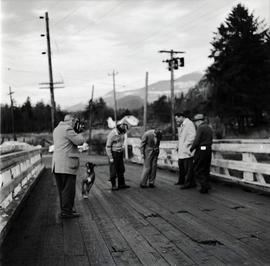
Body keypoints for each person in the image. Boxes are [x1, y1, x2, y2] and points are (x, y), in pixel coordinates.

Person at [52, 114, 87, 218]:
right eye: (75, 122)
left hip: (57, 165)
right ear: (71, 121)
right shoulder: (67, 129)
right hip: (66, 165)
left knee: (62, 189)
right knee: (68, 189)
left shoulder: (57, 129)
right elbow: (79, 141)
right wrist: (79, 132)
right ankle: (67, 212)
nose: (75, 124)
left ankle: (65, 210)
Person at [190, 114, 213, 194]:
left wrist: (191, 148)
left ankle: (204, 187)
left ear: (199, 121)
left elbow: (197, 140)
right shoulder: (209, 127)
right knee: (206, 168)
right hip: (208, 149)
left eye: (195, 122)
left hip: (201, 149)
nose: (195, 123)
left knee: (198, 168)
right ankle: (207, 184)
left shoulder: (200, 128)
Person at [106, 121, 130, 191]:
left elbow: (123, 139)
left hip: (120, 152)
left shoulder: (123, 132)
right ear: (118, 129)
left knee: (121, 169)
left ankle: (121, 184)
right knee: (113, 170)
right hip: (113, 153)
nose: (123, 132)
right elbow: (107, 147)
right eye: (122, 130)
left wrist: (122, 147)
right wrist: (110, 157)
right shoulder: (112, 134)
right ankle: (113, 185)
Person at [175, 112, 196, 189]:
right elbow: (180, 138)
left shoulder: (189, 124)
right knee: (181, 166)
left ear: (181, 117)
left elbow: (192, 136)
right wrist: (178, 145)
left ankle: (190, 183)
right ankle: (181, 181)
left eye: (177, 119)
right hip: (181, 150)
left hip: (187, 150)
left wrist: (185, 145)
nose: (176, 121)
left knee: (188, 168)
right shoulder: (182, 125)